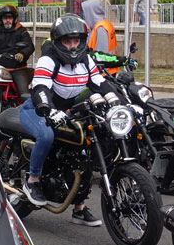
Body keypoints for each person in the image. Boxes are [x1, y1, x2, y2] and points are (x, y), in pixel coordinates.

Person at [21, 13, 112, 227]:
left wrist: (117, 100)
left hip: (67, 112)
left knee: (85, 146)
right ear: (58, 41)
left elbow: (100, 82)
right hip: (37, 109)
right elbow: (41, 88)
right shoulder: (48, 59)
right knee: (46, 135)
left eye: (76, 41)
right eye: (67, 41)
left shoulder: (86, 59)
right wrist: (48, 109)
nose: (72, 46)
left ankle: (79, 208)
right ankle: (32, 180)